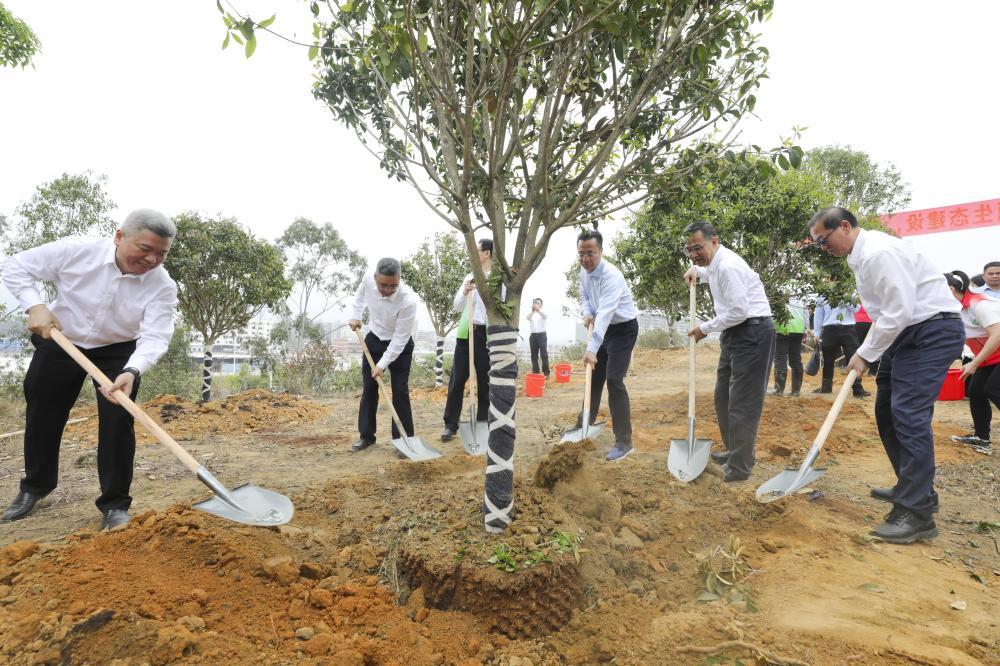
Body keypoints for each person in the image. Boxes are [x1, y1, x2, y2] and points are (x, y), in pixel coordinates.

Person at [0, 210, 178, 531]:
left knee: (118, 420)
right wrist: (35, 305)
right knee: (43, 412)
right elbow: (14, 265)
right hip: (62, 338)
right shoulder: (77, 251)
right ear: (119, 236)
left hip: (118, 351)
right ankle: (35, 486)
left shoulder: (162, 285)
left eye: (161, 253)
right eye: (145, 249)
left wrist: (132, 371)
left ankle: (115, 503)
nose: (152, 259)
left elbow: (156, 335)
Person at [809, 206, 964, 544]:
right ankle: (913, 488)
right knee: (887, 411)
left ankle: (917, 514)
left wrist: (864, 354)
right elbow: (887, 315)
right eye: (817, 243)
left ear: (845, 226)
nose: (823, 247)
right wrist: (871, 350)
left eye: (823, 240)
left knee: (908, 414)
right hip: (904, 333)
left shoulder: (879, 252)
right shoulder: (859, 256)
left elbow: (898, 311)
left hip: (931, 331)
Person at [683, 221, 774, 482]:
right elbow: (709, 272)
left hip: (752, 331)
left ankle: (740, 467)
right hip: (734, 332)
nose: (694, 254)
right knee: (723, 397)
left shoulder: (728, 266)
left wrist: (705, 328)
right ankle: (737, 451)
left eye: (698, 248)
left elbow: (738, 311)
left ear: (714, 241)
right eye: (689, 250)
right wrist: (696, 271)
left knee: (742, 403)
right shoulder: (714, 264)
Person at [576, 229, 639, 461]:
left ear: (601, 251)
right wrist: (586, 312)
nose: (585, 259)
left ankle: (624, 441)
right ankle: (583, 426)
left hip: (622, 330)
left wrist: (591, 349)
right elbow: (585, 297)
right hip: (603, 328)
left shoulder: (611, 276)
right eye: (581, 254)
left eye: (590, 253)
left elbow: (604, 314)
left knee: (613, 379)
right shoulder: (584, 272)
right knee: (594, 378)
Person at [348, 258, 419, 453]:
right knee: (369, 388)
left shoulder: (408, 301)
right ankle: (366, 436)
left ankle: (403, 440)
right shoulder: (367, 281)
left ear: (399, 280)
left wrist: (382, 365)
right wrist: (356, 315)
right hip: (374, 339)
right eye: (383, 285)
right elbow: (359, 297)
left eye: (393, 286)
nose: (387, 290)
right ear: (375, 278)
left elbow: (400, 339)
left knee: (399, 390)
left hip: (399, 346)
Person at [441, 239, 492, 441]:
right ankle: (450, 424)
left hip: (485, 335)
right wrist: (465, 291)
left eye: (477, 250)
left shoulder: (496, 279)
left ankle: (482, 423)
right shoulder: (469, 277)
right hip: (466, 333)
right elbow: (457, 306)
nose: (474, 253)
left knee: (485, 381)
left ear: (487, 253)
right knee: (457, 379)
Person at [944, 270, 1000, 454]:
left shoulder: (979, 304)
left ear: (951, 289)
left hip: (994, 352)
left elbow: (997, 334)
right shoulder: (957, 308)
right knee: (976, 391)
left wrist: (974, 363)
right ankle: (982, 438)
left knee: (994, 390)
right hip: (990, 356)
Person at [813, 297, 870, 397]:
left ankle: (857, 388)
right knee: (828, 360)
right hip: (829, 328)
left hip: (848, 328)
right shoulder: (822, 295)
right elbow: (818, 314)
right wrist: (817, 332)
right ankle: (826, 386)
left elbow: (856, 309)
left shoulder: (849, 292)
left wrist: (845, 298)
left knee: (853, 358)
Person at [771, 298, 806, 397]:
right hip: (798, 329)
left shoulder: (777, 292)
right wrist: (805, 329)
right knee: (796, 359)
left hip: (782, 328)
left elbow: (772, 311)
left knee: (780, 359)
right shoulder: (800, 293)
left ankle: (779, 390)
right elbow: (806, 312)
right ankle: (796, 391)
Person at [853, 302, 880, 376]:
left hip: (871, 322)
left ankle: (872, 369)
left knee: (872, 345)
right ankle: (858, 369)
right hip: (861, 321)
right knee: (862, 345)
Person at [526, 298, 550, 378]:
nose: (537, 304)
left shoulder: (543, 312)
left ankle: (546, 373)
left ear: (541, 305)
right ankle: (535, 372)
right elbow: (528, 318)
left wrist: (538, 310)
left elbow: (545, 316)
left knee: (544, 354)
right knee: (534, 355)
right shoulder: (531, 314)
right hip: (533, 336)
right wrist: (533, 310)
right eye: (535, 303)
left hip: (542, 335)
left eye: (538, 303)